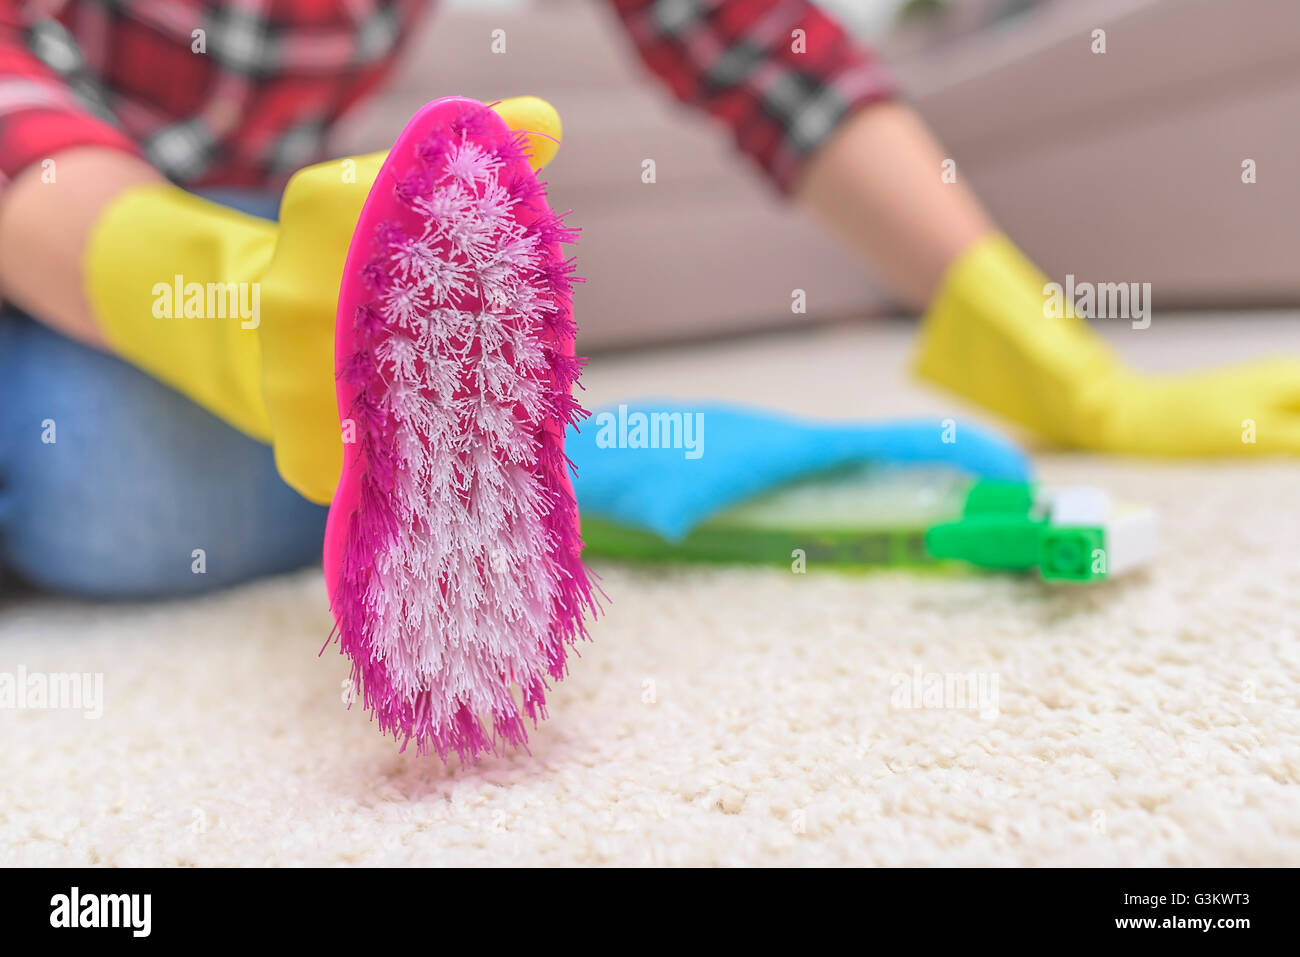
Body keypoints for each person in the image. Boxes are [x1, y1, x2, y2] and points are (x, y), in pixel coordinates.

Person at [0, 0, 1294, 597]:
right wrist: (193, 292)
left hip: (236, 227)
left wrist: (1048, 351)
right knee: (112, 473)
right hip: (58, 211)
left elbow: (766, 49)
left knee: (144, 479)